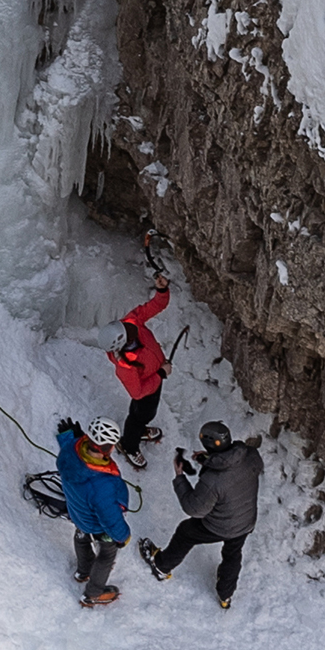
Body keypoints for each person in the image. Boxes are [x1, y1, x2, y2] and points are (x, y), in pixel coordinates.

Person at [144, 421, 260, 609]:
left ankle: (161, 566)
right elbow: (232, 466)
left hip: (221, 526)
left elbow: (194, 508)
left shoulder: (214, 480)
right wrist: (209, 460)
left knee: (185, 532)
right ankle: (225, 596)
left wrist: (180, 477)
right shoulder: (251, 455)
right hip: (246, 521)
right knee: (233, 554)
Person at [53, 416, 135, 608]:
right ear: (107, 448)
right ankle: (93, 593)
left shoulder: (71, 451)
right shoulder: (101, 485)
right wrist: (123, 537)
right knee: (107, 554)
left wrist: (68, 436)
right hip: (98, 524)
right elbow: (109, 517)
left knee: (81, 536)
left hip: (78, 513)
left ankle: (83, 571)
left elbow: (71, 447)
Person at [107, 245, 171, 464]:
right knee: (139, 415)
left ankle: (139, 430)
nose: (134, 328)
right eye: (130, 334)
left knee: (144, 414)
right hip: (147, 388)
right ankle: (129, 444)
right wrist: (161, 374)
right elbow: (138, 392)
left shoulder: (131, 323)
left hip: (155, 377)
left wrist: (161, 291)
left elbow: (152, 307)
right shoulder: (126, 367)